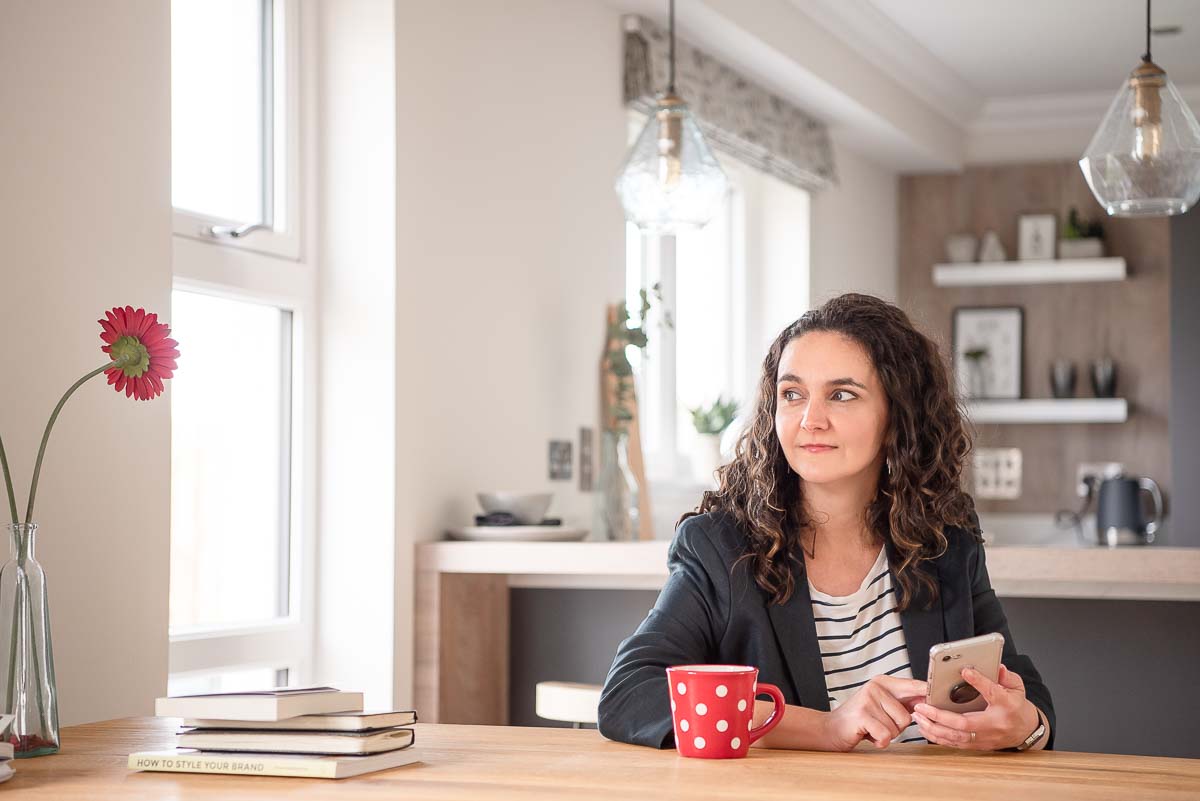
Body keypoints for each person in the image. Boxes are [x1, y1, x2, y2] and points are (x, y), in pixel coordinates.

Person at [597, 293, 1054, 752]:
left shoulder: (945, 534)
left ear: (898, 413)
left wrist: (1024, 726)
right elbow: (631, 694)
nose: (810, 420)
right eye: (792, 394)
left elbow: (1025, 696)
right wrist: (823, 728)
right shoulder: (721, 546)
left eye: (841, 395)